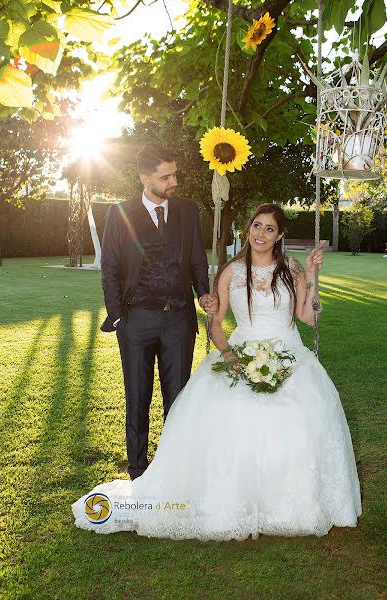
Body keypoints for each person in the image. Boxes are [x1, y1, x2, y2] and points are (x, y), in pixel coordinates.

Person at [73, 203, 362, 541]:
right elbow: (217, 324)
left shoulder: (292, 270)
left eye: (270, 229)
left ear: (280, 235)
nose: (261, 234)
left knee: (300, 416)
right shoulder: (231, 272)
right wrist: (228, 353)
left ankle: (288, 501)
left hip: (289, 354)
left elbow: (309, 318)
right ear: (248, 228)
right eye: (257, 225)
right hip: (239, 352)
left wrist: (313, 278)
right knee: (230, 412)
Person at [99, 143, 217, 480]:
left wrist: (204, 293)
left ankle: (175, 470)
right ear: (144, 177)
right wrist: (119, 316)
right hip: (136, 321)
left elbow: (196, 259)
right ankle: (138, 470)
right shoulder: (119, 213)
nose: (174, 182)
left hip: (179, 319)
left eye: (175, 174)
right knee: (137, 399)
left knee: (178, 401)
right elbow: (109, 269)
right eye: (166, 177)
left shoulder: (187, 211)